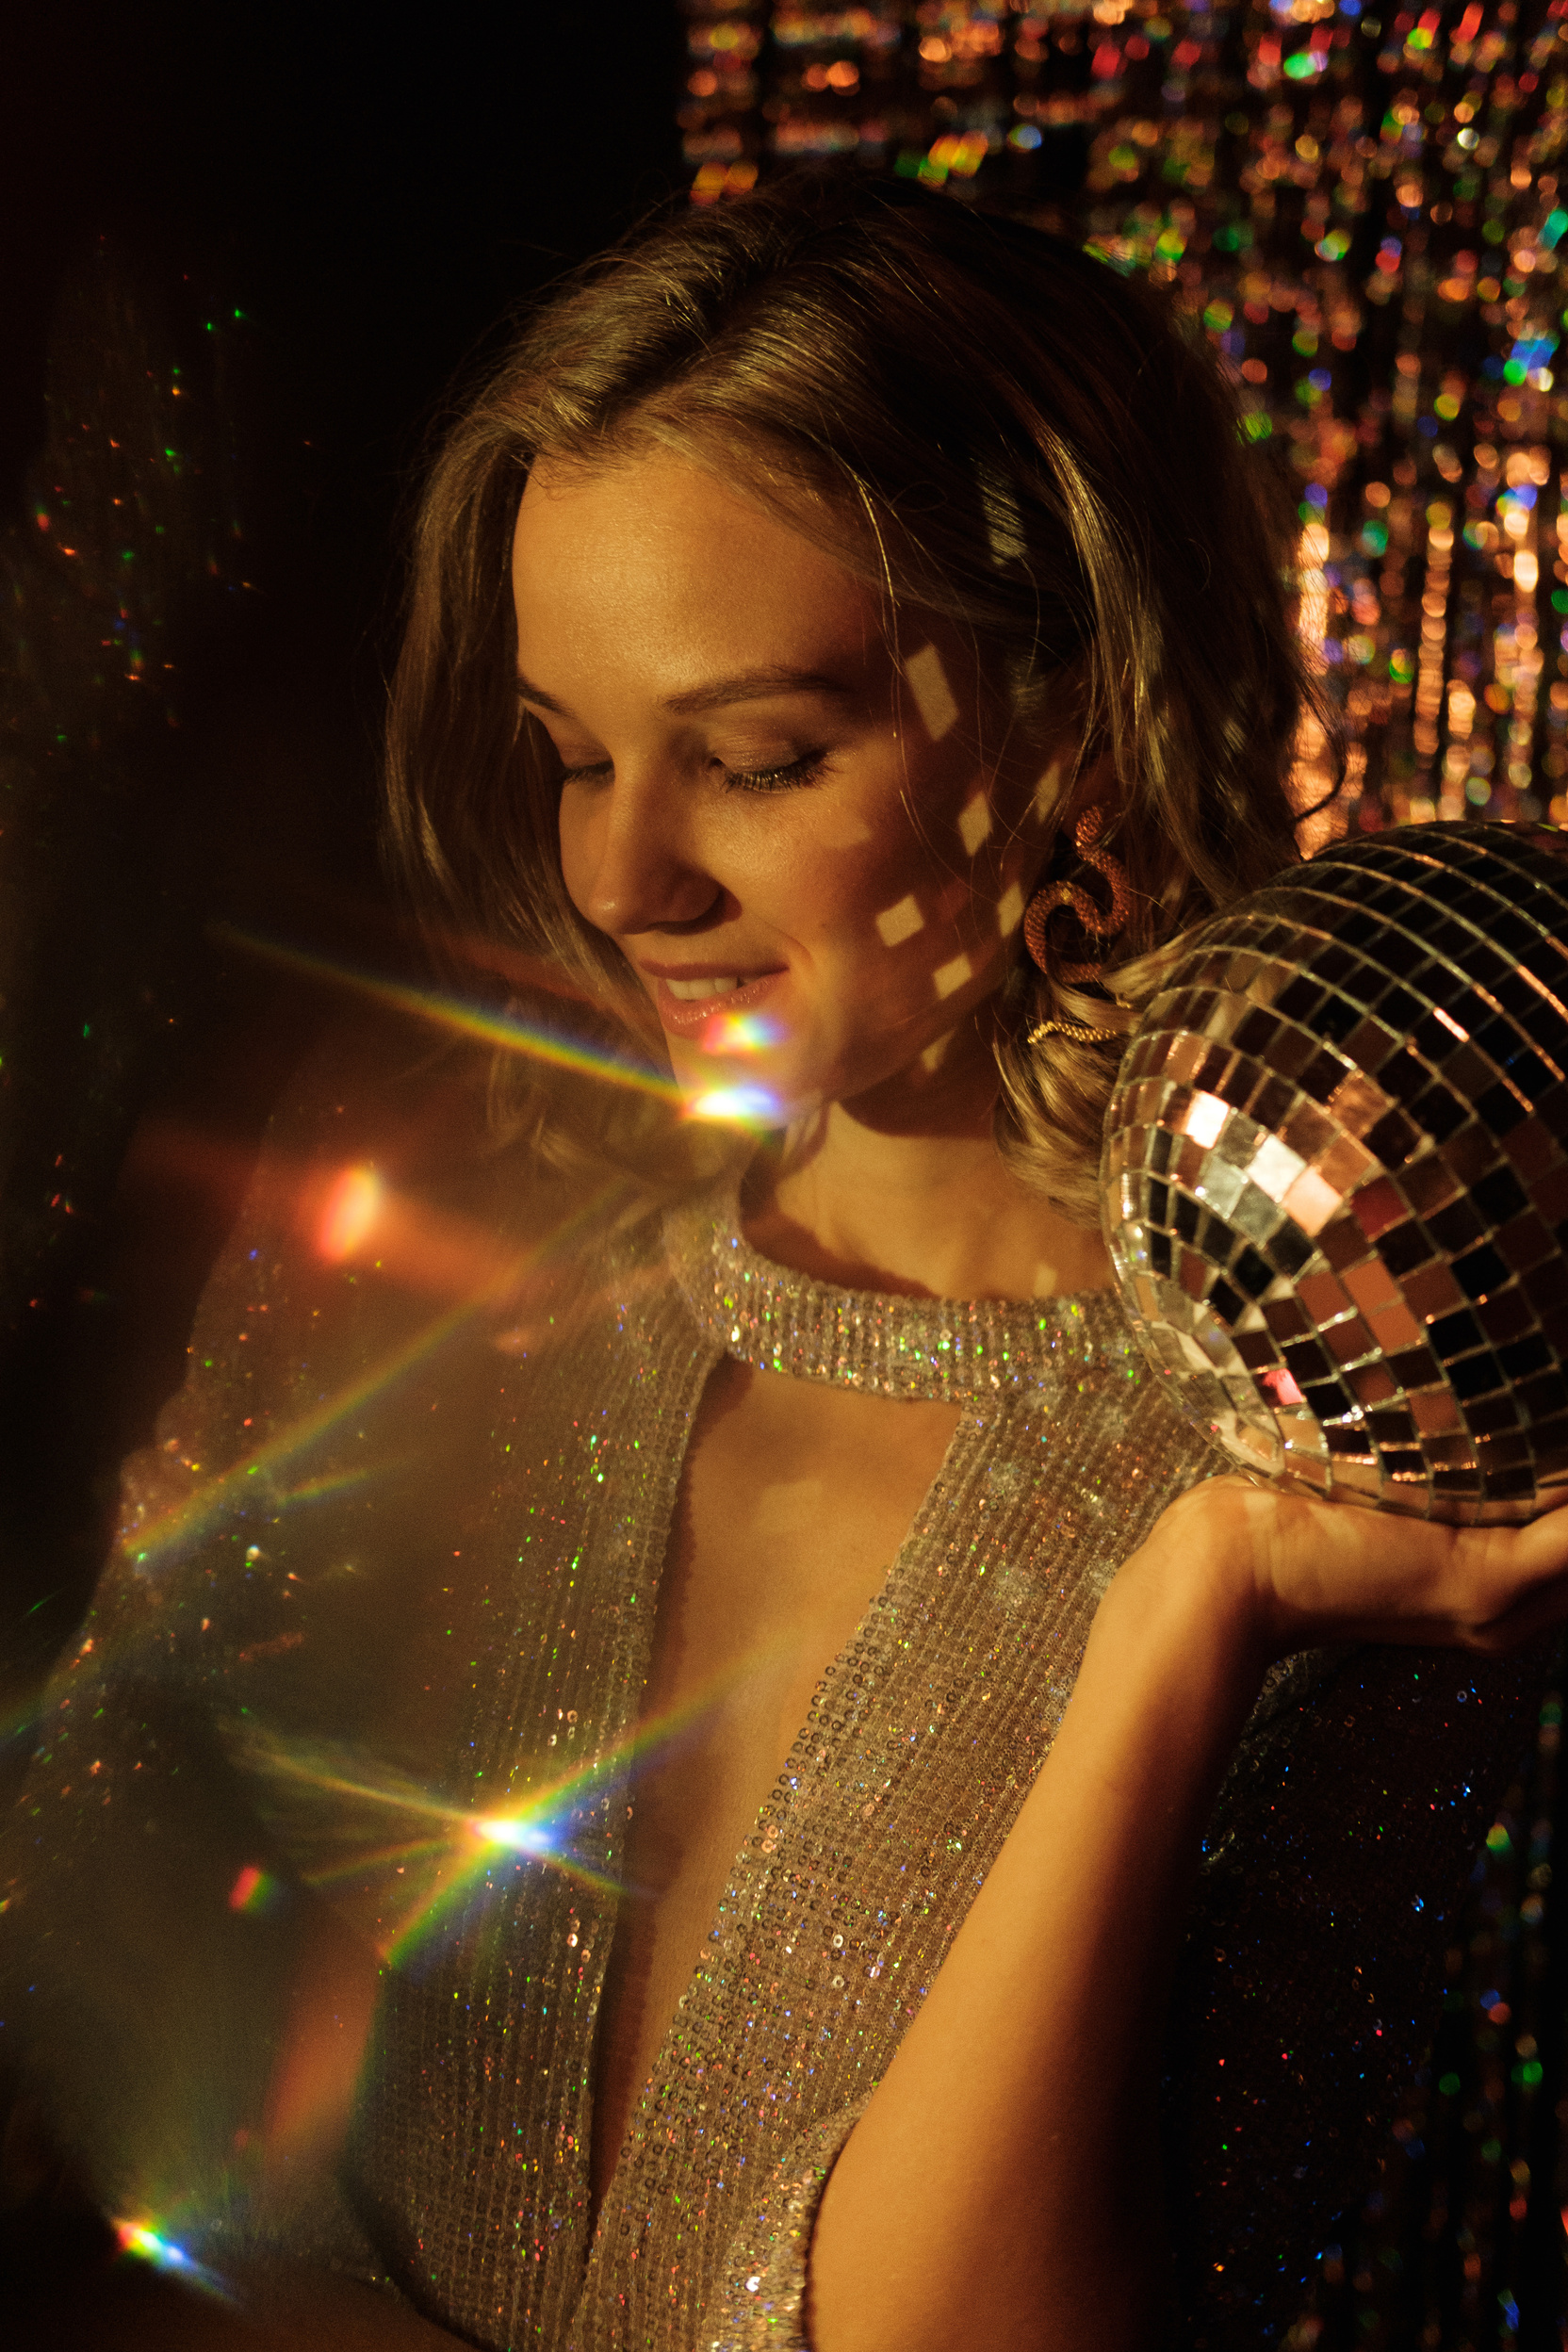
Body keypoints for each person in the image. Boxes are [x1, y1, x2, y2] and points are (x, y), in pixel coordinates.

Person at [5, 173, 1566, 2352]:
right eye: (568, 758)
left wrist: (1186, 1613)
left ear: (1082, 718)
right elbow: (96, 1956)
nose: (624, 872)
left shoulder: (1325, 1446)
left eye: (755, 758)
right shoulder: (431, 1249)